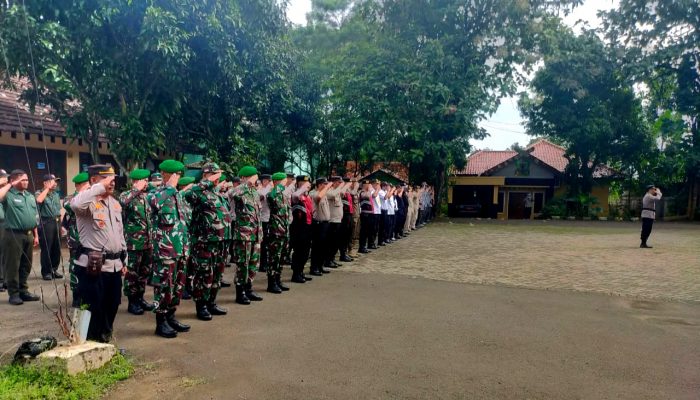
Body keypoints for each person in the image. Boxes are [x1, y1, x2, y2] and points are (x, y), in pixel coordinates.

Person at [70, 164, 126, 342]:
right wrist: (98, 188)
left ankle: (104, 341)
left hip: (114, 265)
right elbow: (76, 204)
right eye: (106, 178)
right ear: (94, 180)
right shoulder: (86, 203)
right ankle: (85, 345)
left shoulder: (115, 204)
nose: (112, 182)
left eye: (113, 179)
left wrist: (124, 259)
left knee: (112, 305)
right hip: (93, 267)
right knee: (90, 308)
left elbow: (120, 233)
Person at [148, 160, 191, 339]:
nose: (179, 178)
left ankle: (171, 316)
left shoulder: (177, 195)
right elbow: (153, 203)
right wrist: (170, 188)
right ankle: (161, 322)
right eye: (177, 175)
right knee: (164, 285)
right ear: (167, 174)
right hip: (165, 250)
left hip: (180, 248)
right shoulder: (157, 193)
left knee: (178, 285)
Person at [183, 162, 229, 320]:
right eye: (213, 174)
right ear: (205, 176)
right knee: (203, 275)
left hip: (220, 241)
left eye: (218, 175)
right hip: (204, 242)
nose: (217, 178)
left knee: (216, 274)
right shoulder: (198, 192)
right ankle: (201, 305)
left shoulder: (216, 193)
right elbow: (187, 194)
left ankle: (211, 302)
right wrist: (207, 181)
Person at [0, 170, 40, 305]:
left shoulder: (29, 196)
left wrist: (36, 235)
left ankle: (23, 291)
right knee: (13, 265)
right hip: (13, 235)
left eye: (27, 179)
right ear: (14, 181)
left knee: (26, 264)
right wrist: (10, 185)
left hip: (28, 234)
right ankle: (14, 293)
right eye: (22, 180)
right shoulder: (8, 195)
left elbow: (34, 216)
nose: (26, 182)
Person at [119, 168, 155, 316]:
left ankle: (140, 298)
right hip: (133, 243)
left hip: (148, 242)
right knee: (132, 274)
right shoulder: (126, 195)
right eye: (144, 180)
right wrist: (135, 189)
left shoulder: (146, 197)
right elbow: (122, 203)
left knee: (144, 272)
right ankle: (132, 302)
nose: (147, 183)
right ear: (136, 181)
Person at [229, 165, 264, 305]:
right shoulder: (240, 191)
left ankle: (249, 289)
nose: (255, 179)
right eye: (252, 177)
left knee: (253, 264)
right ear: (244, 178)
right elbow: (231, 193)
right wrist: (246, 183)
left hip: (255, 234)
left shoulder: (254, 193)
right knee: (242, 265)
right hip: (243, 235)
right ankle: (240, 292)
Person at [62, 172, 90, 307]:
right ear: (79, 185)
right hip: (76, 240)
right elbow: (70, 206)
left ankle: (87, 293)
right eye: (86, 185)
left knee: (90, 265)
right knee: (76, 266)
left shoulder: (92, 197)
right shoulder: (70, 198)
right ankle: (76, 295)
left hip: (91, 239)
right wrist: (83, 193)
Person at [265, 172, 291, 293]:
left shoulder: (284, 195)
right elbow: (271, 197)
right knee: (274, 257)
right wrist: (279, 186)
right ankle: (271, 283)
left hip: (284, 229)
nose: (285, 184)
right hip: (275, 230)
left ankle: (278, 279)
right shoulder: (272, 193)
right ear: (276, 182)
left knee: (282, 257)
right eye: (283, 181)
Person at [35, 174, 64, 280]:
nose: (55, 183)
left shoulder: (56, 194)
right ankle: (46, 272)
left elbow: (58, 211)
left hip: (56, 222)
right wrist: (47, 189)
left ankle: (54, 269)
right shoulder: (39, 192)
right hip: (46, 223)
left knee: (57, 248)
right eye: (52, 181)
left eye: (56, 181)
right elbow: (39, 200)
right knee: (47, 248)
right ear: (45, 183)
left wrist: (60, 225)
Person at [289, 175, 313, 283]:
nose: (306, 185)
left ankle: (301, 271)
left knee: (305, 251)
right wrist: (303, 188)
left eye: (307, 183)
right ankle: (296, 274)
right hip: (298, 227)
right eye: (303, 183)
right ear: (298, 183)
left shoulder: (307, 196)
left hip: (307, 226)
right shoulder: (295, 194)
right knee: (298, 251)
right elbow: (295, 196)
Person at [309, 178, 332, 276]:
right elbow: (318, 197)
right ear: (318, 185)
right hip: (318, 223)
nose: (326, 186)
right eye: (324, 184)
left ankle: (320, 266)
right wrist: (326, 187)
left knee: (324, 246)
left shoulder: (324, 194)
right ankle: (314, 268)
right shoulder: (313, 193)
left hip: (325, 223)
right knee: (317, 246)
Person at [257, 174, 272, 273]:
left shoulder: (270, 190)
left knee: (267, 243)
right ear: (263, 181)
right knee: (263, 243)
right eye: (267, 181)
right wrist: (269, 188)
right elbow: (261, 196)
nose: (269, 183)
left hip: (269, 218)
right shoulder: (260, 190)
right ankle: (262, 264)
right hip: (262, 219)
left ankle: (265, 263)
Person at [358, 179, 375, 254]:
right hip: (365, 214)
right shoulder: (362, 192)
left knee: (368, 230)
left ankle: (364, 246)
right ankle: (362, 247)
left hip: (370, 213)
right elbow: (367, 196)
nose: (369, 186)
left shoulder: (368, 192)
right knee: (364, 231)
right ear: (364, 185)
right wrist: (370, 189)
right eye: (367, 185)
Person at [0, 169, 8, 292]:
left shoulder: (7, 192)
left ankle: (4, 279)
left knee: (5, 254)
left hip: (6, 226)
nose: (6, 179)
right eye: (3, 177)